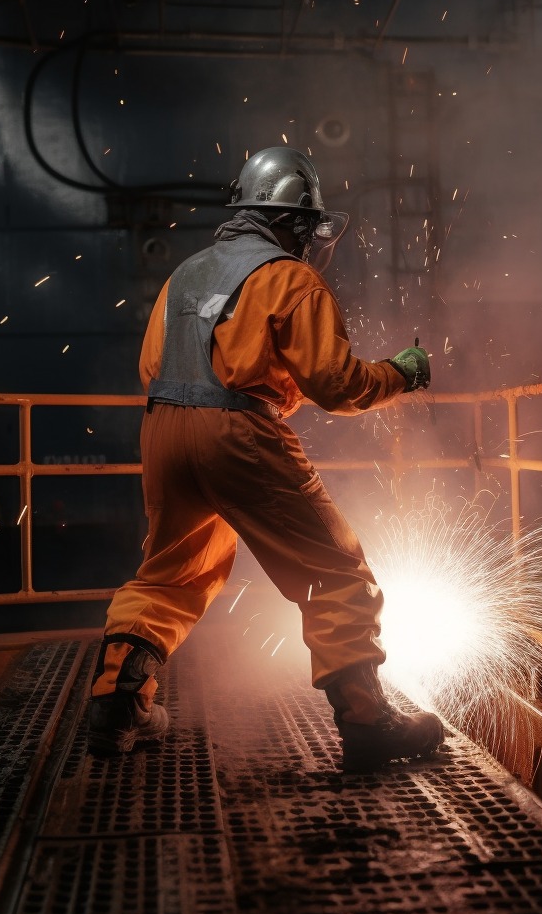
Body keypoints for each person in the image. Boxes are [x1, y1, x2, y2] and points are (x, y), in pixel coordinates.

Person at [86, 146, 443, 773]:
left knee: (171, 572)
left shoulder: (187, 275)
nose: (310, 242)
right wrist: (400, 375)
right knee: (334, 571)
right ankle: (366, 723)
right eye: (307, 228)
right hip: (238, 434)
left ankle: (118, 703)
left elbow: (152, 367)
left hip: (163, 431)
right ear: (291, 222)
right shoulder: (290, 279)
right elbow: (335, 384)